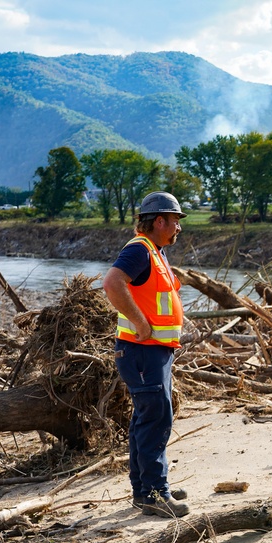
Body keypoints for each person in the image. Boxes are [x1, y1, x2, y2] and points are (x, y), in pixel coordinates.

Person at [102, 191, 190, 518]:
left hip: (152, 352)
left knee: (146, 417)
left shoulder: (155, 250)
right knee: (155, 419)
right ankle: (155, 493)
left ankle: (145, 490)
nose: (179, 227)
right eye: (175, 221)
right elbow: (112, 284)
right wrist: (140, 322)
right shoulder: (140, 249)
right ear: (159, 221)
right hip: (142, 352)